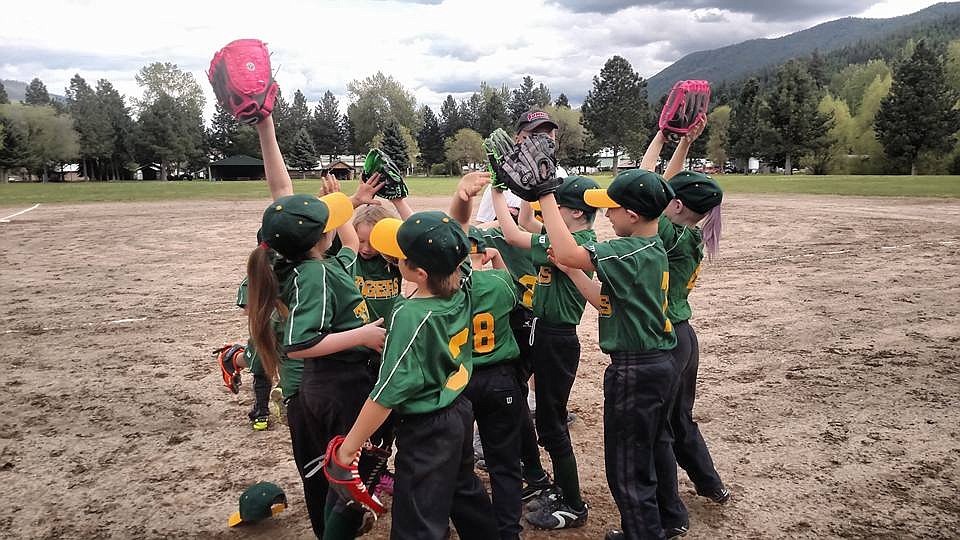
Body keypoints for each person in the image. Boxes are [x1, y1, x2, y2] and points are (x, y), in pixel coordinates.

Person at [245, 112, 386, 539]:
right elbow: (301, 343)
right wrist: (363, 335)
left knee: (321, 474)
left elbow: (282, 196)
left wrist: (265, 125)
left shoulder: (285, 260)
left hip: (312, 388)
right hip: (326, 385)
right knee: (339, 473)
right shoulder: (317, 274)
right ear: (316, 238)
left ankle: (335, 523)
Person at [332, 176, 498, 540]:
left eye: (400, 254)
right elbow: (459, 230)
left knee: (418, 519)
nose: (394, 255)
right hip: (457, 410)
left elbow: (386, 394)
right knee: (462, 490)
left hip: (428, 426)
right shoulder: (460, 281)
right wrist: (462, 198)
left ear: (418, 272)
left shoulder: (410, 315)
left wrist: (348, 448)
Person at [540, 168, 684, 539]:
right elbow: (604, 301)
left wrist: (544, 195)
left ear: (632, 215)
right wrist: (571, 272)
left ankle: (643, 533)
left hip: (636, 371)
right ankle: (659, 522)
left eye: (613, 209)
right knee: (648, 450)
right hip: (659, 363)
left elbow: (571, 251)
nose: (607, 215)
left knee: (626, 466)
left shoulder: (627, 249)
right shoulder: (651, 248)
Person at [490, 175, 599, 530]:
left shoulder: (575, 243)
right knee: (535, 411)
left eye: (558, 208)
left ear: (578, 214)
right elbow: (523, 222)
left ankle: (573, 503)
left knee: (552, 425)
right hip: (543, 332)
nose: (547, 213)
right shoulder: (568, 237)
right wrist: (524, 190)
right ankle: (547, 482)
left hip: (557, 339)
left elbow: (513, 235)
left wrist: (494, 190)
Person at [645, 122, 731, 506]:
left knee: (659, 429)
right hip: (685, 337)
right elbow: (665, 186)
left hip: (665, 339)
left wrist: (663, 138)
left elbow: (645, 183)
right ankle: (710, 483)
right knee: (680, 419)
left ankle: (670, 509)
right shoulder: (691, 234)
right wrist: (683, 143)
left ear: (676, 205)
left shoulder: (666, 232)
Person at [450, 176, 527, 540]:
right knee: (505, 463)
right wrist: (495, 261)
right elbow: (512, 292)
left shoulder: (445, 296)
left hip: (460, 381)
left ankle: (474, 526)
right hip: (500, 379)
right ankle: (507, 530)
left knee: (460, 461)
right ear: (482, 254)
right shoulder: (497, 283)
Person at [474, 109, 569, 224]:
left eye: (548, 133)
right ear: (518, 139)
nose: (543, 139)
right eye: (535, 134)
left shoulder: (562, 176)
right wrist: (507, 221)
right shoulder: (504, 181)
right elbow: (481, 228)